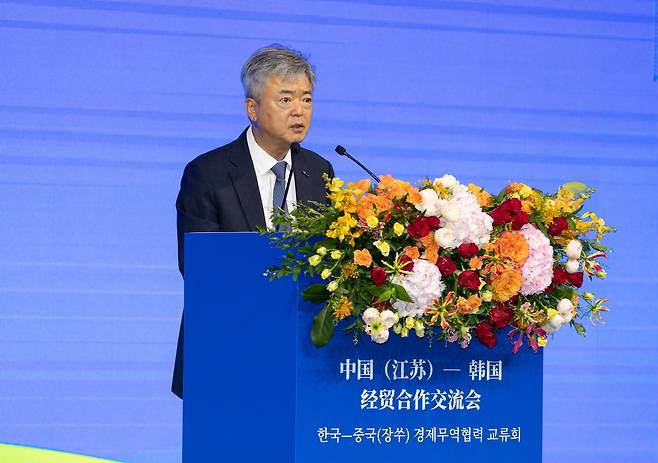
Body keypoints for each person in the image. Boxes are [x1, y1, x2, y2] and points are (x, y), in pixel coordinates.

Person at [171, 45, 334, 399]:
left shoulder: (319, 171)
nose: (299, 111)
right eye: (286, 99)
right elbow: (199, 267)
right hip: (226, 350)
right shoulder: (208, 173)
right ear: (252, 109)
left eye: (306, 100)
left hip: (302, 356)